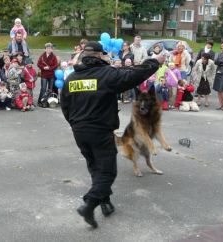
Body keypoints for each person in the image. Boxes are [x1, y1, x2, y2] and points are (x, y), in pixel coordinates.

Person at [60, 41, 162, 228]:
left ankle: (105, 202)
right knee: (107, 171)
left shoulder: (72, 79)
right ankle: (90, 204)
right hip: (100, 131)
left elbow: (65, 106)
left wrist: (75, 124)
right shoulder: (106, 74)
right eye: (104, 55)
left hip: (80, 132)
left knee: (95, 167)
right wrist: (154, 62)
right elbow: (134, 75)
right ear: (99, 55)